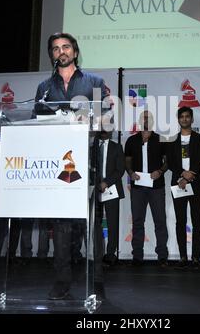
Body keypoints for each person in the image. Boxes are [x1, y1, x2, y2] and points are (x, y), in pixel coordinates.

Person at [35, 32, 109, 300]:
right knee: (62, 227)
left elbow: (107, 123)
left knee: (92, 227)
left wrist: (87, 123)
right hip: (57, 166)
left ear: (75, 52)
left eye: (66, 47)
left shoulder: (95, 82)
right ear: (52, 55)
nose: (61, 52)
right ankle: (62, 281)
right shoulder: (44, 87)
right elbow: (36, 124)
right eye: (55, 49)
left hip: (87, 164)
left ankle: (97, 282)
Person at [124, 110, 168, 266]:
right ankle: (137, 256)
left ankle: (162, 256)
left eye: (148, 118)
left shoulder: (161, 139)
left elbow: (167, 161)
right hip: (137, 187)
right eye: (143, 118)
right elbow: (127, 161)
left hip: (156, 187)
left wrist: (160, 171)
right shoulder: (131, 141)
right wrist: (130, 173)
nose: (146, 120)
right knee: (137, 221)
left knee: (160, 221)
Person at [167, 107, 200, 270]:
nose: (184, 119)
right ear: (178, 119)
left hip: (196, 184)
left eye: (187, 116)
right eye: (181, 117)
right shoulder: (171, 140)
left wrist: (190, 175)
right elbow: (170, 162)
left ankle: (196, 258)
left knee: (197, 222)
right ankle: (183, 257)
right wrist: (183, 175)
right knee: (180, 221)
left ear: (192, 119)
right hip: (178, 184)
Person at [92, 126, 125, 267]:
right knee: (95, 223)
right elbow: (89, 167)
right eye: (102, 127)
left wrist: (106, 183)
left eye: (107, 127)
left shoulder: (117, 147)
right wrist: (96, 183)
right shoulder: (92, 147)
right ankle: (97, 253)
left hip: (112, 189)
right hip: (94, 189)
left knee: (112, 223)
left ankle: (111, 254)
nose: (104, 130)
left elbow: (120, 170)